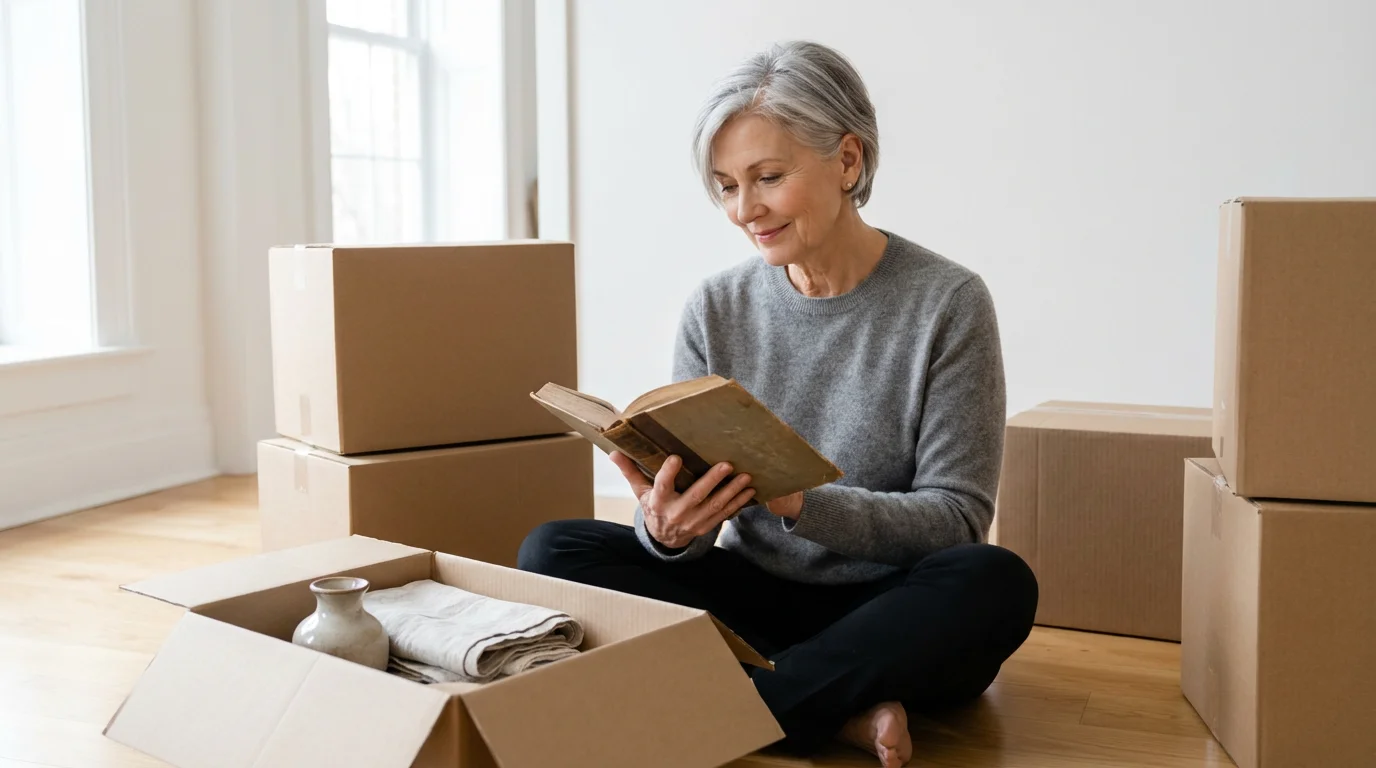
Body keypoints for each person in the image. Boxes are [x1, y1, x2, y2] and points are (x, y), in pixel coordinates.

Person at [518, 40, 1037, 768]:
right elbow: (695, 532)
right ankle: (829, 706)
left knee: (995, 581)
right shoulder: (715, 307)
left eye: (768, 177)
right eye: (726, 186)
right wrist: (666, 531)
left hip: (891, 608)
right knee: (551, 550)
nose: (743, 210)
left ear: (848, 162)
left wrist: (801, 502)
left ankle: (731, 710)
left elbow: (955, 518)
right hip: (756, 597)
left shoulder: (948, 302)